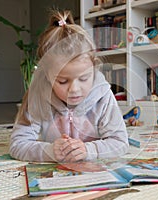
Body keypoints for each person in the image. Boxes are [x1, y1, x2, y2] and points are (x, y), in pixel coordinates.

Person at [9, 10, 129, 163]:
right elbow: (17, 144)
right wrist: (49, 151)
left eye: (84, 78)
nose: (75, 89)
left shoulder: (102, 95)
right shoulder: (38, 96)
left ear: (94, 69)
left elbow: (120, 142)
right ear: (46, 76)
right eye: (63, 81)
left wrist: (89, 150)